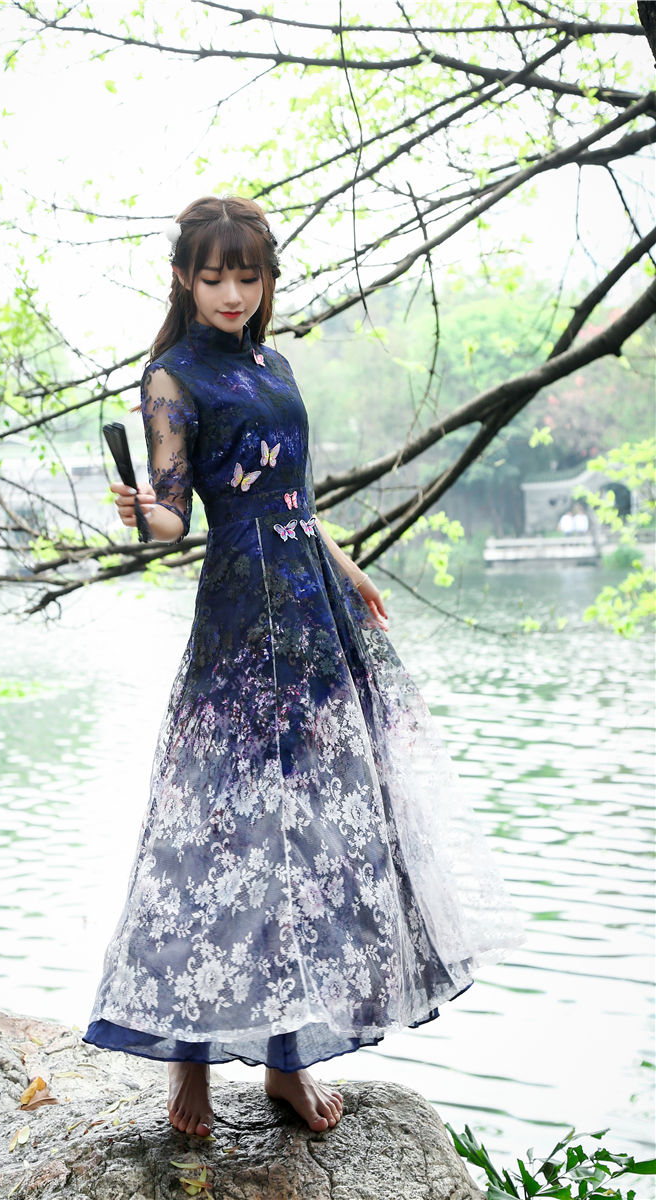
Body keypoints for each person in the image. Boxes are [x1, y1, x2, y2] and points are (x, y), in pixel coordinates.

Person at [82, 195, 526, 1138]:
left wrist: (347, 568)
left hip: (314, 612)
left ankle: (289, 1062)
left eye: (248, 276)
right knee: (224, 827)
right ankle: (191, 1067)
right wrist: (141, 513)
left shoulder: (273, 366)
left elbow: (295, 499)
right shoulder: (172, 378)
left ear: (266, 280)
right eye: (214, 277)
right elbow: (174, 517)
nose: (232, 294)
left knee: (317, 826)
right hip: (242, 618)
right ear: (183, 279)